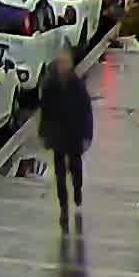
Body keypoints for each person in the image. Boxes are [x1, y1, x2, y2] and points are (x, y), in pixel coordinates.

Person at [36, 51, 95, 219]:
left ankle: (77, 190)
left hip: (74, 134)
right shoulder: (50, 85)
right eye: (60, 63)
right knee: (59, 173)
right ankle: (63, 204)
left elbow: (86, 112)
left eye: (65, 63)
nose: (63, 67)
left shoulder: (77, 85)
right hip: (58, 135)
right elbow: (45, 111)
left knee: (76, 167)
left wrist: (87, 135)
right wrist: (43, 133)